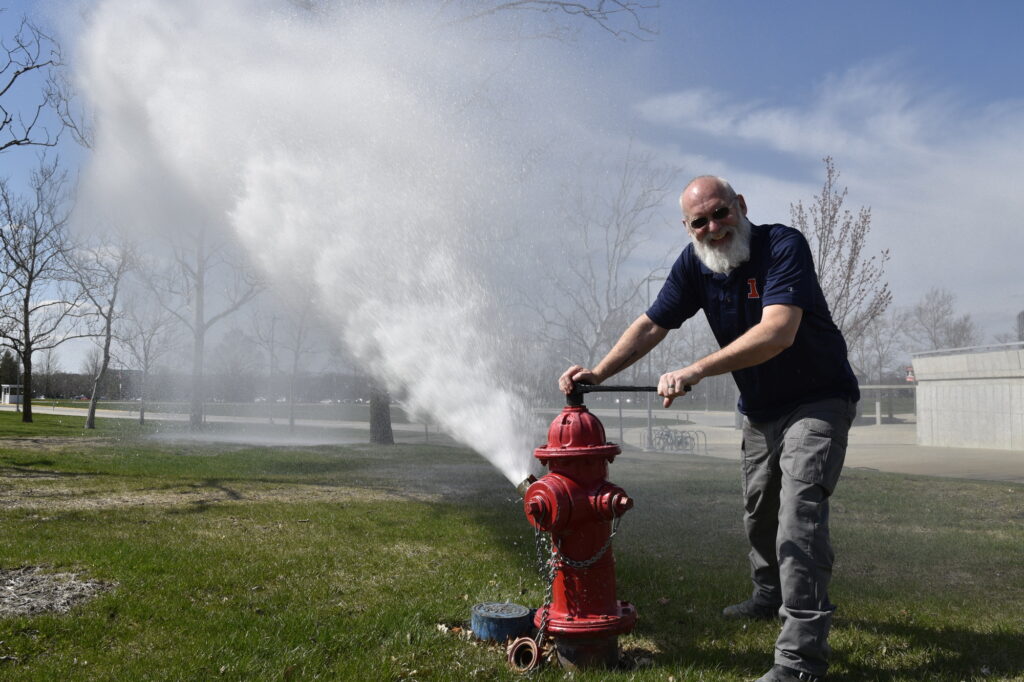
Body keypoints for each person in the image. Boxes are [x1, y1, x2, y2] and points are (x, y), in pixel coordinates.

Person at [559, 175, 859, 682]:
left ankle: (800, 660)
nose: (714, 229)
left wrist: (696, 369)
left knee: (799, 516)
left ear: (740, 206)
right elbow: (653, 324)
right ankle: (769, 596)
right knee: (760, 511)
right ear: (688, 228)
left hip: (818, 401)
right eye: (700, 222)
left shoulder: (783, 245)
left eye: (721, 214)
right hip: (761, 410)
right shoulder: (694, 265)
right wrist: (598, 373)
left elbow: (778, 331)